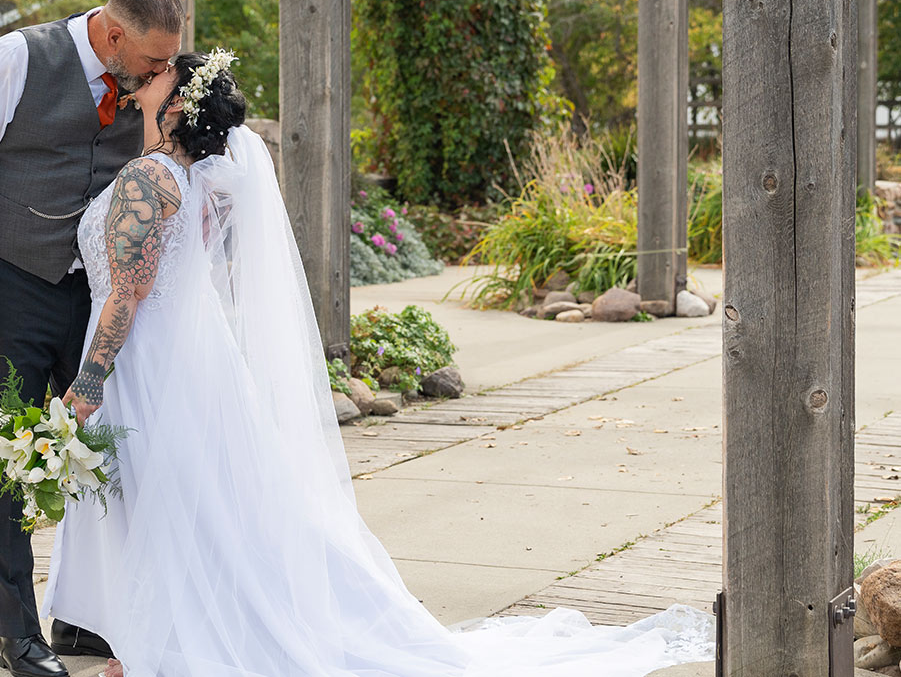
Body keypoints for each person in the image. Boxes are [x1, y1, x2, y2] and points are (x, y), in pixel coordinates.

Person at [42, 51, 716, 677]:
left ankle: (165, 647)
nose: (148, 77)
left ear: (177, 104)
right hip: (191, 357)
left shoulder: (146, 178)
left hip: (148, 359)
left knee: (163, 499)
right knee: (190, 503)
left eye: (161, 75)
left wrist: (91, 378)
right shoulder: (204, 181)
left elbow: (130, 290)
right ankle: (158, 639)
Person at [0, 0, 184, 677]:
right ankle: (18, 635)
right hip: (7, 281)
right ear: (111, 36)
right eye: (154, 63)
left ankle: (80, 614)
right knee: (12, 452)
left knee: (100, 446)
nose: (163, 75)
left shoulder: (143, 79)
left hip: (93, 290)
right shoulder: (15, 58)